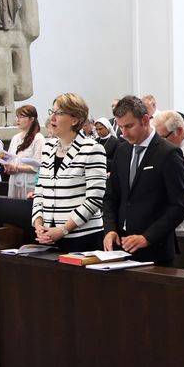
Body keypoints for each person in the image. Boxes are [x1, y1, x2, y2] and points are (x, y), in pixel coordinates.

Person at [101, 96, 184, 264]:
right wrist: (110, 229)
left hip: (155, 249)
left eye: (129, 126)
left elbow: (180, 206)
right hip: (121, 247)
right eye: (120, 127)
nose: (124, 133)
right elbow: (111, 196)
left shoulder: (168, 153)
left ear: (145, 120)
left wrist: (147, 237)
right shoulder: (122, 150)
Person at [32, 93, 108, 252]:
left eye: (58, 113)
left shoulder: (92, 149)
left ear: (75, 119)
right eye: (51, 112)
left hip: (82, 238)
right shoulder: (48, 148)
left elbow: (94, 199)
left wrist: (63, 230)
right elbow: (40, 193)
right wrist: (38, 224)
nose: (52, 118)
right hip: (48, 236)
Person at [3, 104, 44, 198]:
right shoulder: (15, 138)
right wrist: (7, 166)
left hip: (29, 185)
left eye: (22, 117)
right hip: (14, 182)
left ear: (32, 119)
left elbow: (38, 166)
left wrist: (17, 167)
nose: (18, 120)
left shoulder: (38, 138)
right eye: (17, 117)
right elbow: (9, 158)